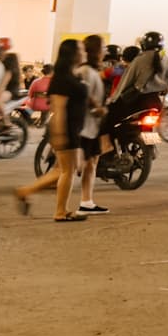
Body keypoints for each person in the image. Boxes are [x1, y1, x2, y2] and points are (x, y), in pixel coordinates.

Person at [12, 38, 87, 223]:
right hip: (66, 128)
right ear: (72, 54)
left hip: (73, 127)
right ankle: (61, 212)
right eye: (81, 50)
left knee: (60, 170)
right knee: (67, 171)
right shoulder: (63, 79)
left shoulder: (71, 76)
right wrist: (60, 134)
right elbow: (58, 109)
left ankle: (25, 192)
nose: (84, 52)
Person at [106, 31, 168, 151]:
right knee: (149, 126)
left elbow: (126, 81)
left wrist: (114, 98)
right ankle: (152, 148)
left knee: (109, 119)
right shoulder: (166, 59)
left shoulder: (138, 61)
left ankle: (111, 150)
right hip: (156, 101)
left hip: (137, 100)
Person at [74, 35, 109, 216]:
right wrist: (98, 108)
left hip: (92, 126)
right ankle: (28, 191)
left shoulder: (94, 70)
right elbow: (84, 95)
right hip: (84, 126)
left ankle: (87, 202)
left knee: (91, 163)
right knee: (73, 167)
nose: (105, 51)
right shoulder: (86, 71)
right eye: (102, 47)